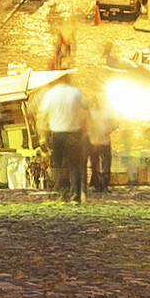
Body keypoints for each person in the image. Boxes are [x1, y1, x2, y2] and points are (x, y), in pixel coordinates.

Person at [37, 72, 90, 204]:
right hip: (73, 132)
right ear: (67, 79)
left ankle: (61, 191)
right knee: (74, 164)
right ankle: (75, 194)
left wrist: (43, 134)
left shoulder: (50, 94)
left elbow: (42, 114)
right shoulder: (76, 92)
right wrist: (83, 124)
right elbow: (87, 106)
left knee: (57, 164)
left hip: (57, 132)